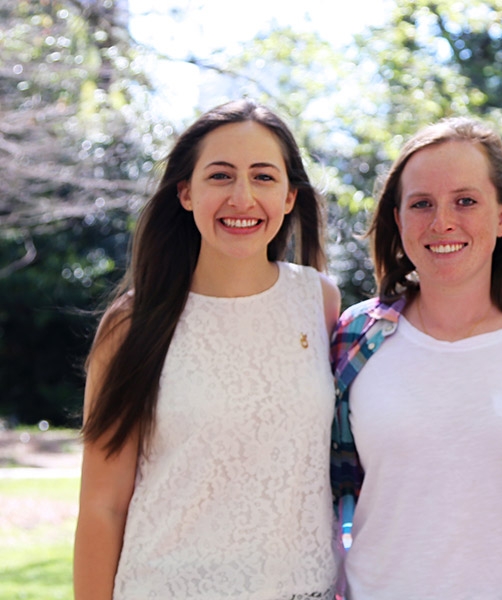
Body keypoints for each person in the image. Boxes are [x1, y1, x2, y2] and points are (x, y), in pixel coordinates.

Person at [330, 117, 502, 599]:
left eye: (465, 201)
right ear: (398, 221)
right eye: (421, 204)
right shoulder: (356, 341)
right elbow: (327, 489)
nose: (442, 222)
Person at [73, 99, 341, 599]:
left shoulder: (319, 301)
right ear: (186, 193)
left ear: (288, 197)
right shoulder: (132, 324)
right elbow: (102, 507)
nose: (242, 198)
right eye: (220, 176)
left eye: (263, 177)